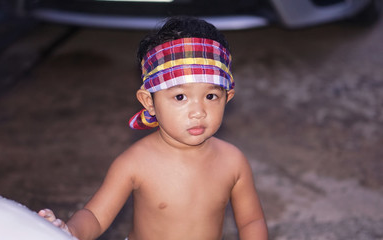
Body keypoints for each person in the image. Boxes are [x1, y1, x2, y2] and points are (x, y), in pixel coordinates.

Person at [39, 16, 268, 240]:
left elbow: (251, 221)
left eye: (210, 96)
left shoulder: (233, 161)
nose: (198, 111)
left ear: (227, 98)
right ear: (150, 102)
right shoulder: (135, 163)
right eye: (180, 97)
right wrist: (71, 231)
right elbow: (95, 216)